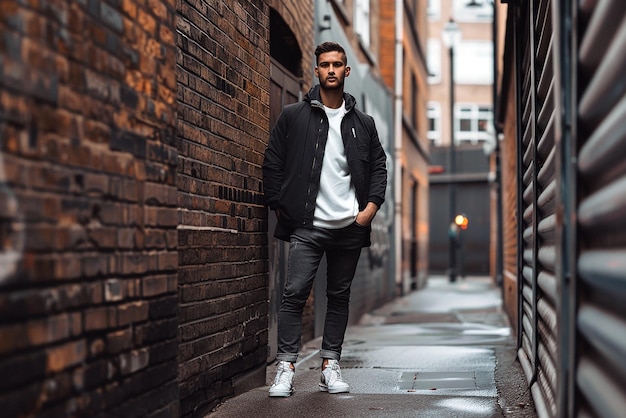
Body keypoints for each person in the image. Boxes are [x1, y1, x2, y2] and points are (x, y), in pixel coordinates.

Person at [262, 41, 387, 397]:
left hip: (350, 226)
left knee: (339, 296)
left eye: (337, 65)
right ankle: (285, 367)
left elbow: (379, 167)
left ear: (347, 71)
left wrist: (369, 211)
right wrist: (279, 206)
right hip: (308, 226)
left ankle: (330, 365)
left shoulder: (364, 123)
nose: (331, 70)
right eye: (324, 65)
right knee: (294, 294)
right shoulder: (293, 116)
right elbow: (272, 162)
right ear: (316, 71)